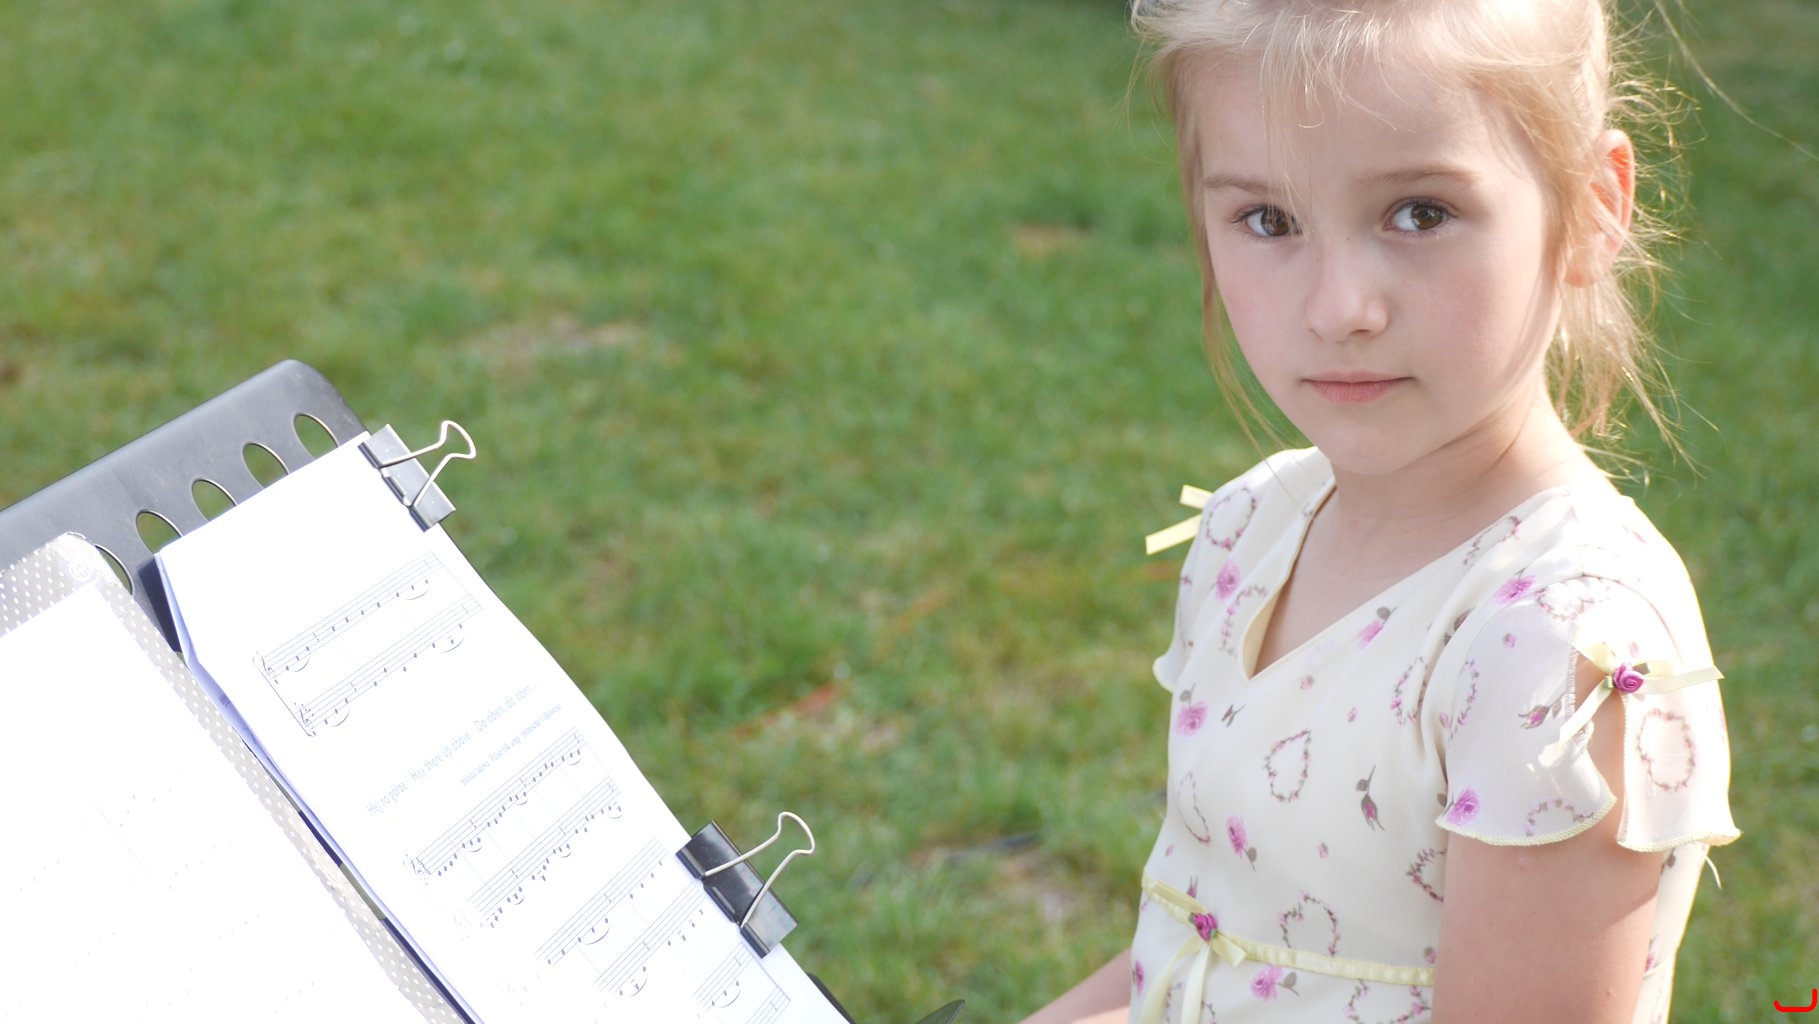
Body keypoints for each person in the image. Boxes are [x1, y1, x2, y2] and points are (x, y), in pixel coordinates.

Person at [1018, 1, 1738, 1022]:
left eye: (1419, 214)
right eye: (1268, 221)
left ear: (1590, 211)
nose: (1337, 308)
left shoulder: (1556, 645)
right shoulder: (1253, 524)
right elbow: (1205, 925)